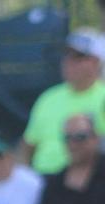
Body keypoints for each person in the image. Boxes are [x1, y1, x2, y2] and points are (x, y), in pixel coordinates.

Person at [21, 29, 105, 176]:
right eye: (66, 55)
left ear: (96, 61)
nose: (69, 62)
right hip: (42, 182)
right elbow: (27, 146)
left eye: (78, 57)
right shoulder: (48, 97)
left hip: (88, 186)